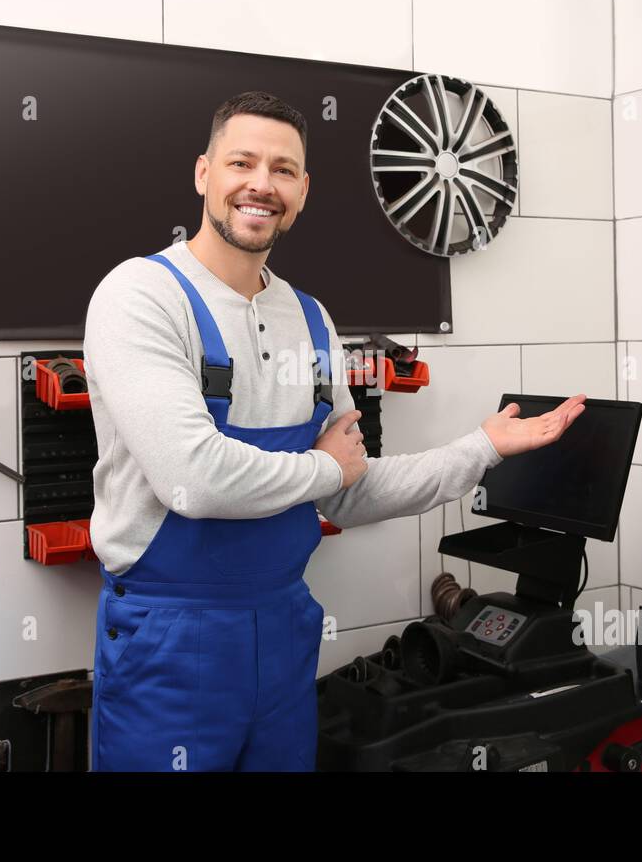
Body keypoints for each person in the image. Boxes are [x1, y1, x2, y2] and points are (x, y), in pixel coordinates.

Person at [82, 90, 586, 771]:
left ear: (304, 190)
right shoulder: (140, 297)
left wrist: (482, 449)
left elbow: (349, 491)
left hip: (284, 635)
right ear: (205, 174)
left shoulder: (313, 321)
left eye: (283, 170)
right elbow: (192, 479)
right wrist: (325, 469)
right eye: (242, 163)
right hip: (171, 645)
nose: (262, 184)